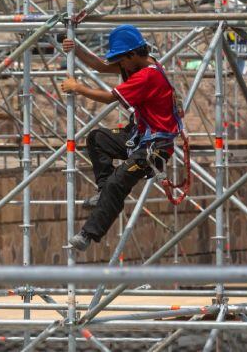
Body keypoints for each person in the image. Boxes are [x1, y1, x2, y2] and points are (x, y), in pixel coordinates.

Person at [60, 25, 182, 251]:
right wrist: (76, 49)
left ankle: (88, 234)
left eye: (122, 61)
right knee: (97, 138)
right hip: (139, 135)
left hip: (155, 147)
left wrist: (77, 87)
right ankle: (103, 190)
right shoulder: (139, 62)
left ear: (132, 55)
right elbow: (101, 65)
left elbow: (109, 98)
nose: (120, 66)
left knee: (118, 183)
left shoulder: (147, 76)